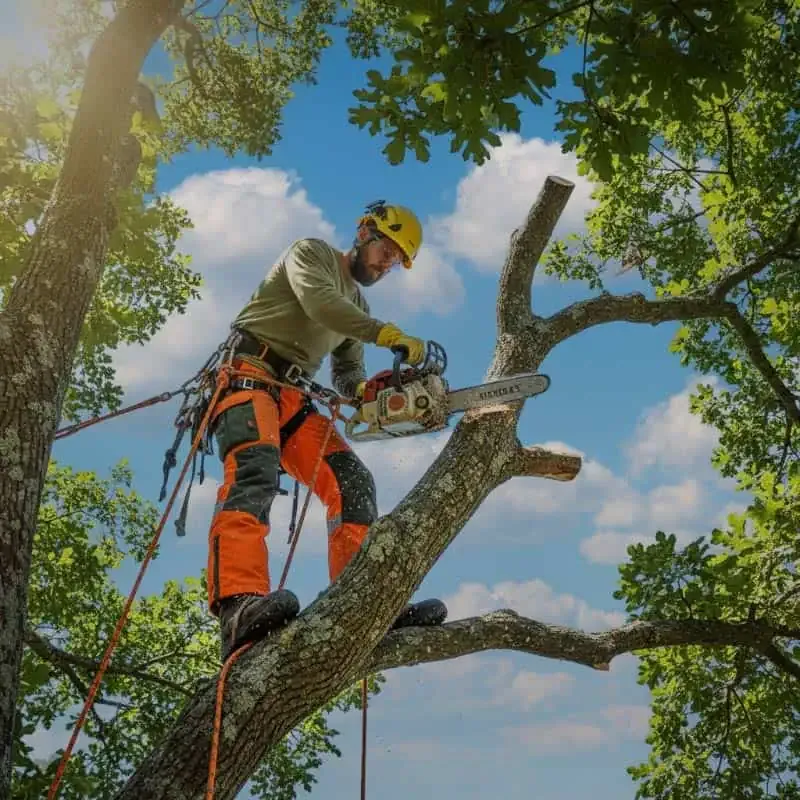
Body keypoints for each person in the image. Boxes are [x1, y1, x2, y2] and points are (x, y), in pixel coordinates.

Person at [207, 201, 448, 660]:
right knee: (253, 476)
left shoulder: (358, 305)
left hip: (292, 399)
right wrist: (387, 334)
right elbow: (321, 304)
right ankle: (237, 606)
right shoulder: (311, 254)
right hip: (249, 377)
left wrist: (368, 392)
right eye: (386, 249)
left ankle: (364, 605)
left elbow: (347, 375)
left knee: (353, 482)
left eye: (397, 259)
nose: (386, 263)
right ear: (363, 232)